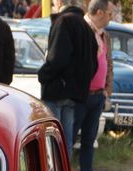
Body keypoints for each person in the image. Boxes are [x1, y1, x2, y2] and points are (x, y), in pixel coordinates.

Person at [38, 0, 98, 157]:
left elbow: (57, 58)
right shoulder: (86, 27)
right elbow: (94, 63)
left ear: (58, 3)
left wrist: (43, 75)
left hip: (56, 89)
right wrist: (80, 81)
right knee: (65, 142)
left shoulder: (63, 22)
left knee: (51, 142)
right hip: (74, 93)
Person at [73, 0, 114, 171]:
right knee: (68, 139)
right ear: (99, 12)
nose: (110, 18)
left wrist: (108, 89)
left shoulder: (104, 36)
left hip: (98, 96)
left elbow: (109, 64)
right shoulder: (82, 30)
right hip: (80, 96)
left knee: (89, 141)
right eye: (109, 13)